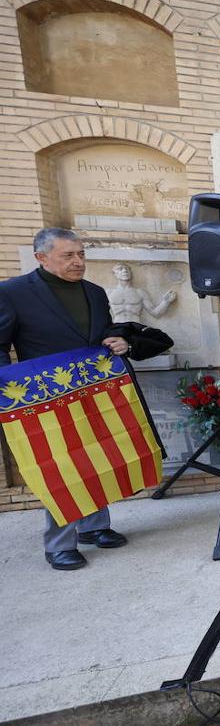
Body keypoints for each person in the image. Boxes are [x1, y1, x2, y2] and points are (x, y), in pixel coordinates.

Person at [0, 228, 133, 570]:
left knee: (96, 455)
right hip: (44, 399)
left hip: (93, 391)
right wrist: (11, 391)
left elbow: (103, 331)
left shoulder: (95, 292)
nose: (78, 262)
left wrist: (117, 340)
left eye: (81, 255)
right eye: (68, 256)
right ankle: (59, 543)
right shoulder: (12, 293)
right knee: (59, 468)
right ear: (41, 257)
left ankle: (94, 526)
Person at [107, 263, 177, 324]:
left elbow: (155, 313)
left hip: (135, 327)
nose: (125, 271)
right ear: (115, 274)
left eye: (127, 269)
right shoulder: (109, 293)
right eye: (120, 269)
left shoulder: (139, 292)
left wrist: (166, 302)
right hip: (116, 327)